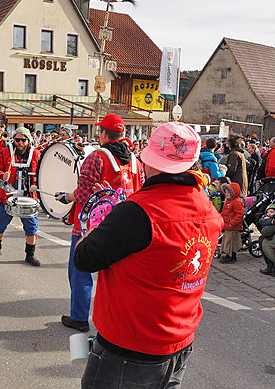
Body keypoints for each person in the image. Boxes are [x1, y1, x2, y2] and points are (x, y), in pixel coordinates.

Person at [74, 122, 223, 388]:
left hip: (128, 348)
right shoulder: (208, 207)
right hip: (179, 342)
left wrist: (103, 217)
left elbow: (84, 258)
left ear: (152, 162)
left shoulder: (137, 212)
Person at [55, 114, 144, 332]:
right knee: (118, 275)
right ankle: (118, 320)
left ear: (104, 133)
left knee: (80, 271)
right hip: (125, 226)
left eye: (99, 131)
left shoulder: (96, 157)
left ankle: (79, 317)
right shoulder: (135, 160)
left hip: (90, 228)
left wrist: (69, 198)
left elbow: (85, 194)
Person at [0, 127, 41, 266]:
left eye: (23, 140)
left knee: (32, 227)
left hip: (28, 196)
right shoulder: (5, 152)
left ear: (28, 140)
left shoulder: (36, 154)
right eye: (17, 140)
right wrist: (2, 175)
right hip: (6, 195)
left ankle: (30, 254)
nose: (20, 143)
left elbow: (44, 173)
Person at [219, 182, 245, 264]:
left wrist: (232, 223)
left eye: (229, 192)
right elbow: (224, 213)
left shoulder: (236, 202)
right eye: (226, 192)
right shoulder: (228, 201)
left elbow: (240, 214)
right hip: (227, 225)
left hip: (233, 226)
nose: (227, 194)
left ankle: (231, 256)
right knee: (227, 240)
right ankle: (228, 255)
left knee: (232, 242)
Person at [257, 203, 275, 276]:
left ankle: (271, 267)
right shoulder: (265, 217)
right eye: (268, 212)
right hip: (269, 235)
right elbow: (261, 221)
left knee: (266, 244)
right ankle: (270, 267)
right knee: (262, 240)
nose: (269, 214)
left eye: (271, 212)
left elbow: (266, 232)